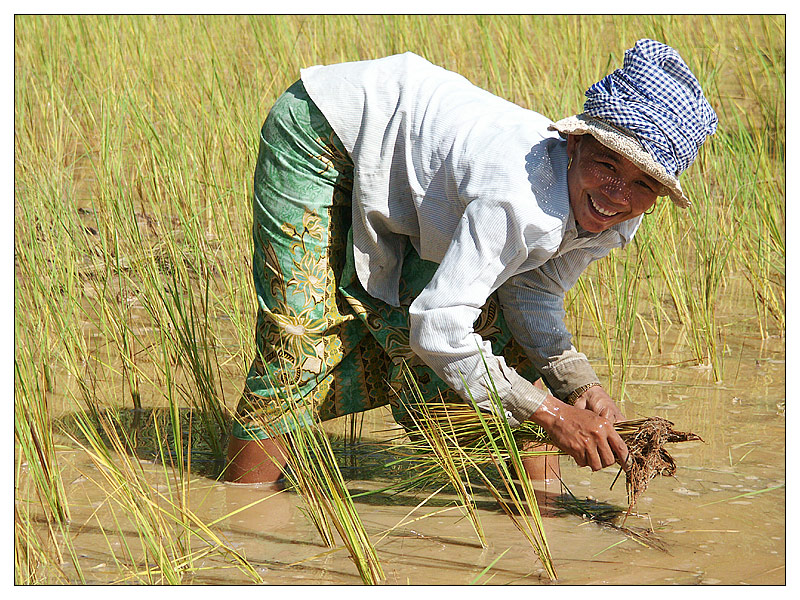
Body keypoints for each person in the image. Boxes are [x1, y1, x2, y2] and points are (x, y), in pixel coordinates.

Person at [223, 39, 717, 485]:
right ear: (573, 143)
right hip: (325, 130)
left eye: (643, 184)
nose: (616, 195)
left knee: (504, 334)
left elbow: (533, 290)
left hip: (408, 159)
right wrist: (549, 412)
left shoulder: (617, 216)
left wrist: (577, 382)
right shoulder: (517, 201)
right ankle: (243, 513)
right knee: (297, 340)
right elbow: (437, 329)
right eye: (606, 165)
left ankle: (535, 519)